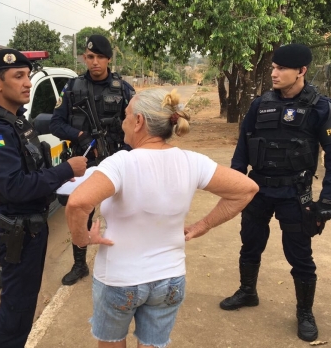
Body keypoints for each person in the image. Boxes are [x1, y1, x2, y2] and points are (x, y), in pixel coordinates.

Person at [65, 88, 259, 348]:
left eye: (126, 115)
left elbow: (78, 203)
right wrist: (202, 226)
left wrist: (82, 239)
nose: (122, 122)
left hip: (120, 279)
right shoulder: (192, 162)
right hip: (169, 280)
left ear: (139, 121)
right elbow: (246, 189)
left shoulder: (121, 163)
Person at [220, 43, 331, 342]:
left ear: (301, 71)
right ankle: (247, 291)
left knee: (300, 256)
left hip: (295, 193)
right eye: (273, 67)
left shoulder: (321, 107)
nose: (273, 73)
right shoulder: (258, 104)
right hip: (258, 190)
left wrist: (327, 199)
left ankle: (305, 312)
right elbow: (242, 149)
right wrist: (235, 185)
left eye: (281, 69)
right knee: (250, 244)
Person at [0, 49, 87, 348]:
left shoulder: (17, 122)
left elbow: (32, 171)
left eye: (27, 76)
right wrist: (64, 170)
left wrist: (62, 178)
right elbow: (14, 187)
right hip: (18, 229)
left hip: (32, 226)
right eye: (18, 76)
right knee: (16, 307)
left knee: (23, 304)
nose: (27, 83)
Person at [50, 34, 136, 286]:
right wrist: (79, 135)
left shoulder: (123, 89)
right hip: (84, 159)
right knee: (81, 210)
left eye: (100, 57)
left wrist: (130, 154)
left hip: (118, 158)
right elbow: (55, 122)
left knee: (121, 212)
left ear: (109, 59)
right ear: (84, 58)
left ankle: (123, 263)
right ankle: (79, 265)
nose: (95, 62)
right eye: (90, 57)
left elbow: (139, 124)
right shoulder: (72, 88)